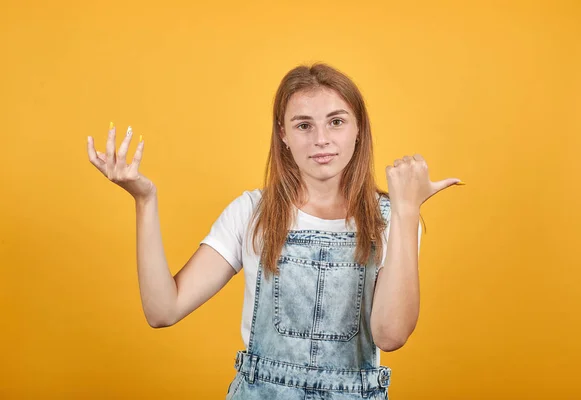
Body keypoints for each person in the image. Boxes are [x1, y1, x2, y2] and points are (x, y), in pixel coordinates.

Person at [86, 63, 463, 399]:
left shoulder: (391, 218)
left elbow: (391, 335)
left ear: (358, 129)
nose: (321, 140)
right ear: (283, 134)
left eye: (336, 121)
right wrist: (145, 201)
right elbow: (162, 310)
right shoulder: (251, 213)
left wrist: (407, 209)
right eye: (303, 125)